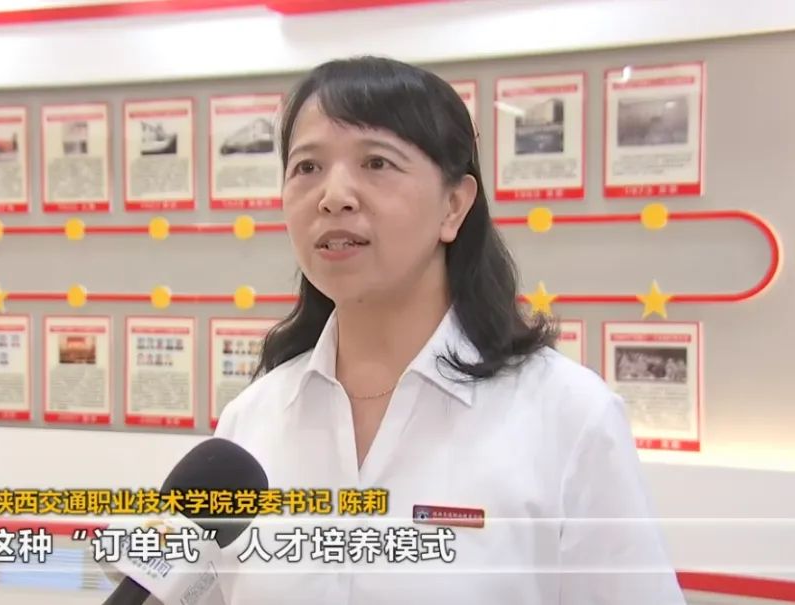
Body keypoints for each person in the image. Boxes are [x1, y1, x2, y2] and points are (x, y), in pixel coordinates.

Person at [213, 56, 685, 605]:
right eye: (307, 167)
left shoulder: (568, 416)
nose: (333, 195)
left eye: (376, 162)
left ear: (454, 205)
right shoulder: (251, 422)